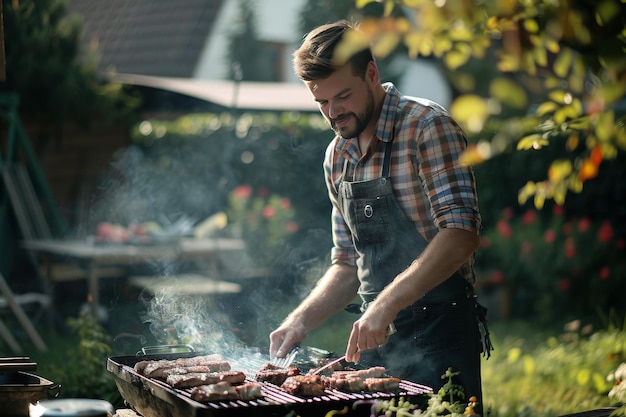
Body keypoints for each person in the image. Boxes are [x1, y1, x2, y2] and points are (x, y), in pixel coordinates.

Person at [269, 20, 491, 413]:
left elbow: (460, 233)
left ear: (371, 73)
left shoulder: (427, 127)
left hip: (441, 334)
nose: (333, 113)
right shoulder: (336, 157)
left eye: (342, 96)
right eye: (321, 103)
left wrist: (384, 305)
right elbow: (348, 263)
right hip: (376, 340)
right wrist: (299, 320)